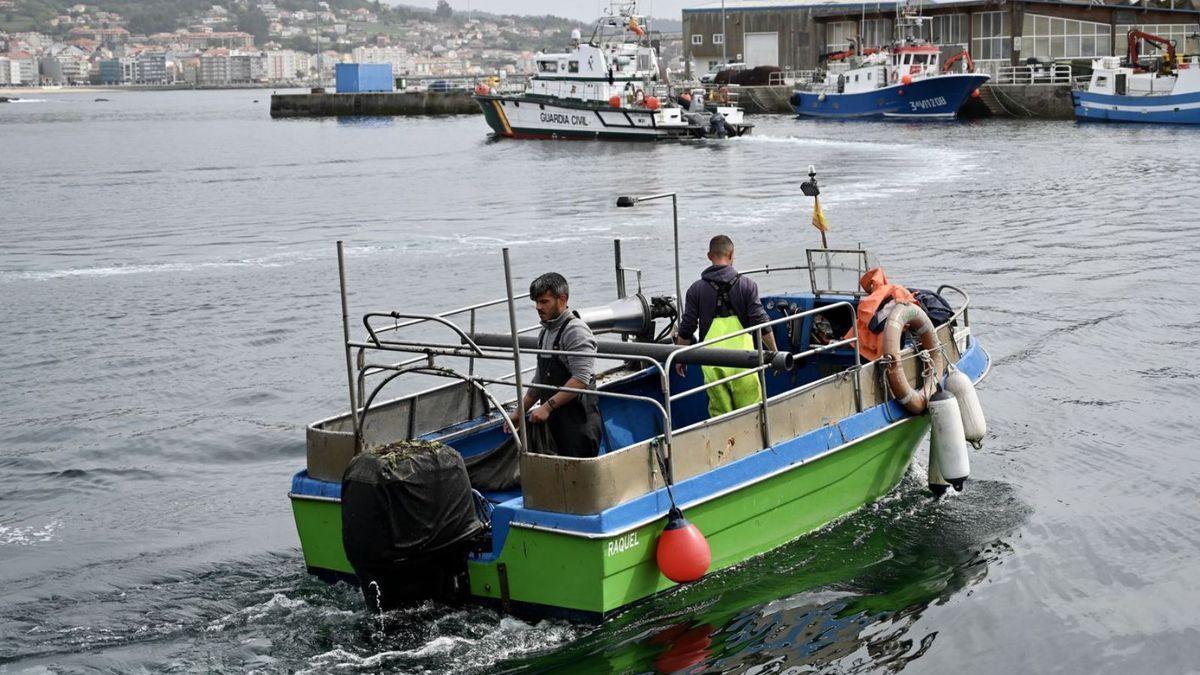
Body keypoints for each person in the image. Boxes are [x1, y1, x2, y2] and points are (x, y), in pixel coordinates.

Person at [676, 235, 778, 418]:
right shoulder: (748, 285)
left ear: (709, 256)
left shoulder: (695, 290)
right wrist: (775, 352)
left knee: (721, 416)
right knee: (752, 414)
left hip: (712, 361)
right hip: (744, 360)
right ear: (731, 254)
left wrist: (679, 357)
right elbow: (761, 322)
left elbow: (687, 327)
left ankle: (726, 445)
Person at [507, 272, 603, 458]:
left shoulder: (576, 331)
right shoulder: (545, 332)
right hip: (556, 422)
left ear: (562, 299)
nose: (538, 307)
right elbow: (539, 381)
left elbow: (581, 380)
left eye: (544, 302)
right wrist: (519, 412)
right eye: (536, 302)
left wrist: (547, 407)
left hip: (578, 424)